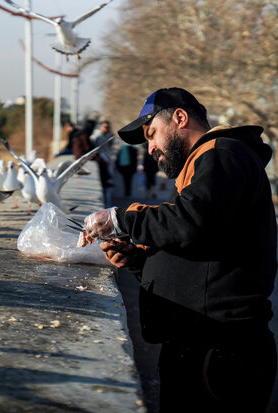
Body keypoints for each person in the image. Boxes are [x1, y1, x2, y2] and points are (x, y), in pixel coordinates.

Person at [83, 87, 277, 412]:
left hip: (218, 351)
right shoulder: (207, 163)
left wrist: (121, 218)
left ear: (180, 118)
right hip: (204, 346)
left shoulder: (222, 154)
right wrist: (139, 260)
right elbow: (202, 251)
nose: (151, 148)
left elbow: (191, 222)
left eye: (153, 134)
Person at [93, 120, 115, 207]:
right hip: (102, 163)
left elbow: (111, 147)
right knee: (104, 184)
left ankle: (108, 204)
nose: (106, 129)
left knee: (109, 185)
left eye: (107, 127)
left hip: (109, 162)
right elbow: (99, 151)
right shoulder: (98, 137)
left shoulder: (110, 136)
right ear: (100, 127)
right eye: (105, 127)